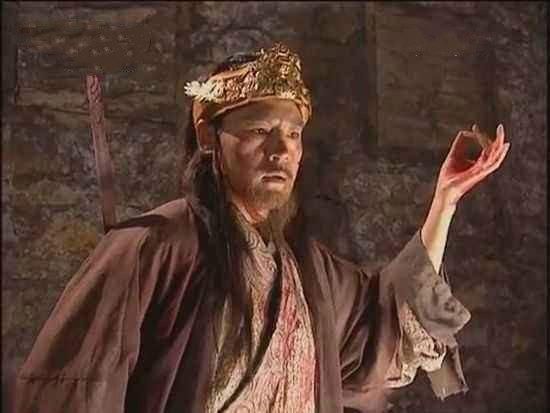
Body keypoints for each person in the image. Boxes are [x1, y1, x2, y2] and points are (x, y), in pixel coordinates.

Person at [14, 43, 510, 413]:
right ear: (209, 137)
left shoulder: (307, 269)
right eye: (258, 131)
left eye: (293, 134)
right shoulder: (153, 247)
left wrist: (444, 202)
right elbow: (72, 388)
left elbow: (384, 327)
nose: (281, 151)